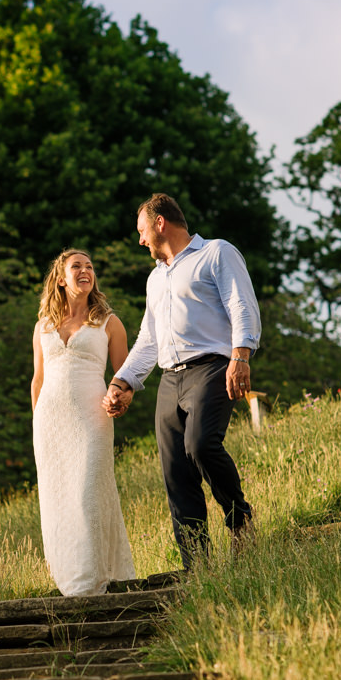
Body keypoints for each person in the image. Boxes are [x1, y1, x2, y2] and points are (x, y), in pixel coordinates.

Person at [102, 193, 261, 569]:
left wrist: (241, 357)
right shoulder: (155, 279)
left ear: (160, 223)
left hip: (212, 368)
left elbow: (242, 304)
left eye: (142, 231)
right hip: (169, 379)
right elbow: (148, 339)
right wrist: (123, 382)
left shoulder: (217, 253)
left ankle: (240, 520)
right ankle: (197, 566)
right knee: (175, 471)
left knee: (201, 444)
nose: (140, 240)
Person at [31, 248, 136, 595]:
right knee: (59, 498)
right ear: (61, 278)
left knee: (88, 494)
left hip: (91, 421)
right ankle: (71, 579)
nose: (85, 270)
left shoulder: (109, 322)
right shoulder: (43, 326)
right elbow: (37, 380)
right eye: (77, 266)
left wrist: (121, 399)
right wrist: (37, 426)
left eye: (89, 266)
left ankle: (92, 584)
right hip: (50, 424)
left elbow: (126, 375)